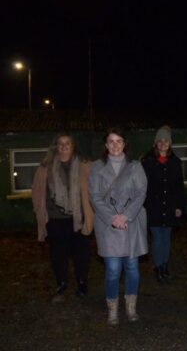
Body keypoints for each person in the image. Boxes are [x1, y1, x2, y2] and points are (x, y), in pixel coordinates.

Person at [89, 128, 148, 326]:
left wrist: (126, 215)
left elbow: (141, 193)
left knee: (132, 269)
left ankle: (131, 307)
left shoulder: (135, 166)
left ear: (124, 144)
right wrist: (113, 218)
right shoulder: (96, 167)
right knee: (113, 269)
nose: (115, 145)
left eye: (119, 141)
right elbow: (95, 197)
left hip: (131, 223)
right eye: (111, 141)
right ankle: (112, 309)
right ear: (106, 145)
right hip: (108, 225)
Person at [31, 132, 94, 303]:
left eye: (68, 143)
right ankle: (62, 283)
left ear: (73, 146)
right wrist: (40, 213)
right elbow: (37, 192)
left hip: (78, 219)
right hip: (55, 220)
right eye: (60, 143)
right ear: (55, 146)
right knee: (58, 255)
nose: (64, 146)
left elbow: (96, 188)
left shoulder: (85, 165)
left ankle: (82, 283)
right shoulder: (45, 167)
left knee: (81, 254)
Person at [141, 125, 186, 283]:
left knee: (166, 238)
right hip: (153, 207)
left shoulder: (175, 161)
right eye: (160, 140)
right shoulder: (147, 161)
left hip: (170, 206)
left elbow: (179, 186)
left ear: (170, 143)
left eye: (166, 140)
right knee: (157, 238)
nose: (163, 143)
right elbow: (142, 186)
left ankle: (165, 266)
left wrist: (179, 206)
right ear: (155, 143)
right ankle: (158, 267)